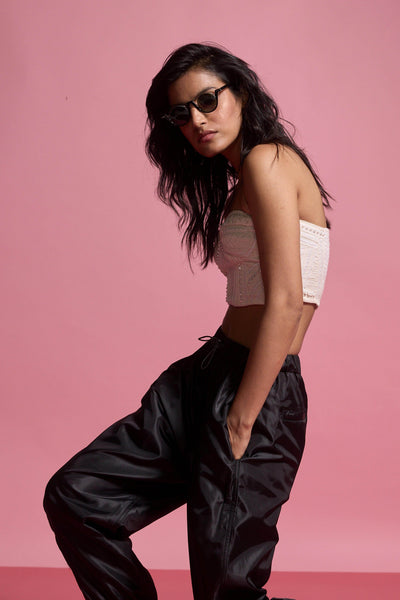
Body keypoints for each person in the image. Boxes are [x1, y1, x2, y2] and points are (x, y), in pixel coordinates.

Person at [44, 42, 331, 600]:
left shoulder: (268, 161)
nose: (197, 120)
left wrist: (242, 418)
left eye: (207, 101)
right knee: (78, 497)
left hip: (256, 386)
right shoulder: (242, 176)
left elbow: (287, 300)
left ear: (240, 92)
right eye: (181, 113)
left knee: (225, 587)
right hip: (205, 374)